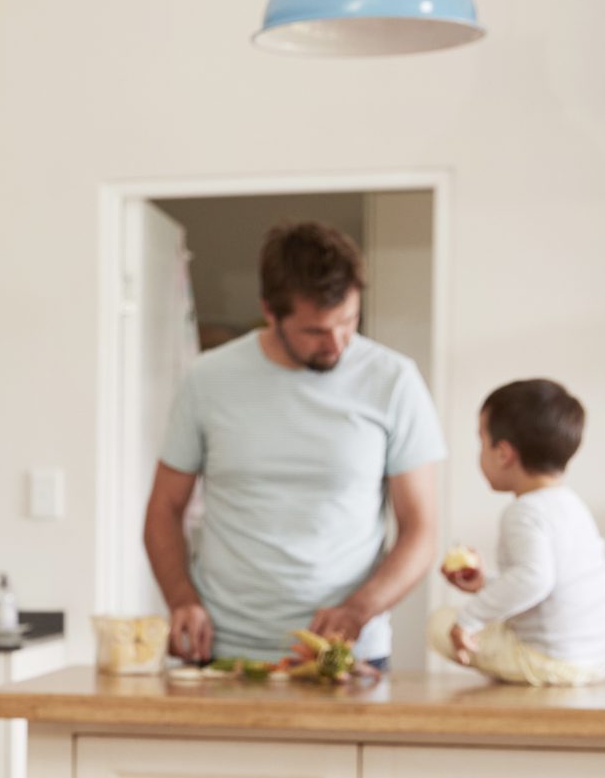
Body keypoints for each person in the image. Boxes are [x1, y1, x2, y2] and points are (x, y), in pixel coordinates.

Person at [144, 220, 445, 669]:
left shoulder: (394, 381)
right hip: (224, 652)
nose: (337, 342)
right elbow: (164, 508)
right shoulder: (208, 379)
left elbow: (421, 527)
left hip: (345, 658)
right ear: (270, 311)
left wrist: (360, 609)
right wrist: (181, 599)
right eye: (314, 331)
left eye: (348, 320)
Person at [431, 378, 605, 686]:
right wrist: (487, 584)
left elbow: (535, 579)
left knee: (440, 623)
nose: (479, 452)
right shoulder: (571, 504)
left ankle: (530, 671)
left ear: (503, 453)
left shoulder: (523, 512)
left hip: (555, 661)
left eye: (481, 441)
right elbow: (542, 580)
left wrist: (467, 620)